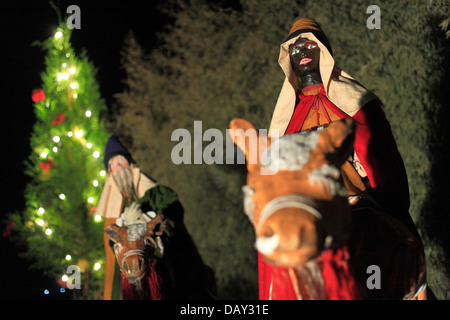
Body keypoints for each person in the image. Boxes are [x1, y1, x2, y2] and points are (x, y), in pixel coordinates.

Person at [265, 18, 427, 299]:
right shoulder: (285, 120)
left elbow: (380, 155)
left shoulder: (355, 100)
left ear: (323, 52)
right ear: (288, 59)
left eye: (308, 46)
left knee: (400, 245)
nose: (302, 53)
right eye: (295, 49)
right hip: (310, 200)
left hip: (359, 190)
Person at [95, 135, 216, 300]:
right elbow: (110, 243)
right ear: (109, 171)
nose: (118, 167)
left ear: (130, 163)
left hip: (165, 263)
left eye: (120, 161)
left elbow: (173, 210)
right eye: (112, 164)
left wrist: (149, 222)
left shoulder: (153, 192)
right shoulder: (111, 208)